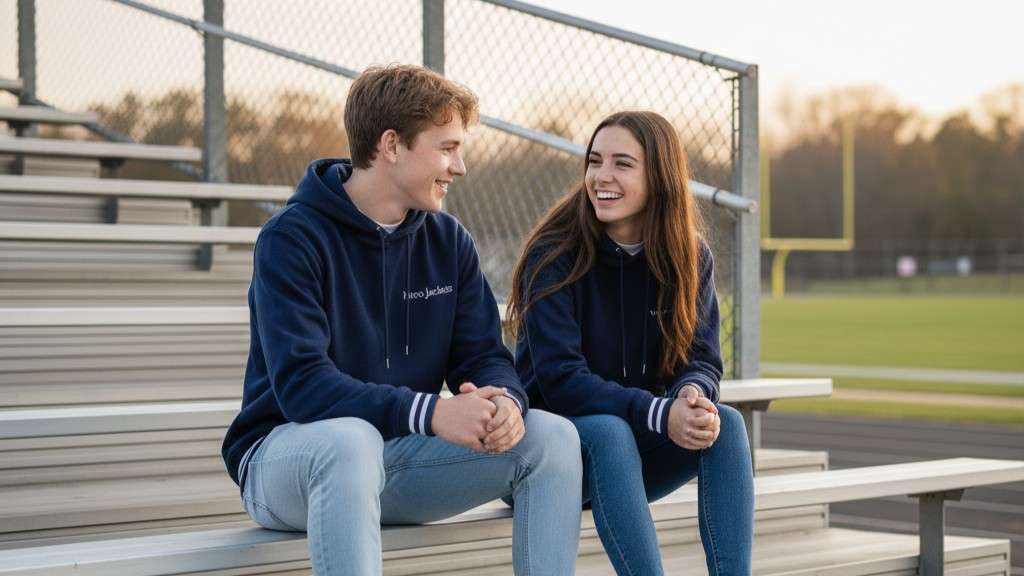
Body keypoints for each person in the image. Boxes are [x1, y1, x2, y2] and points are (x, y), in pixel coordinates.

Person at [221, 64, 582, 576]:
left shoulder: (448, 239)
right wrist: (433, 413)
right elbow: (304, 387)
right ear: (391, 145)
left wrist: (505, 400)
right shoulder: (292, 239)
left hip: (399, 461)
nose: (459, 167)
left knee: (553, 438)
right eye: (447, 147)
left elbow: (482, 356)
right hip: (289, 463)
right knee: (351, 440)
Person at [506, 111, 754, 575]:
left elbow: (702, 358)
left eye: (622, 163)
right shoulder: (554, 253)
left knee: (727, 425)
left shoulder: (690, 255)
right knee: (608, 431)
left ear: (658, 176)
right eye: (595, 161)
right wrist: (661, 412)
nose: (602, 176)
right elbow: (562, 383)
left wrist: (691, 395)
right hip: (550, 456)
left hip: (634, 451)